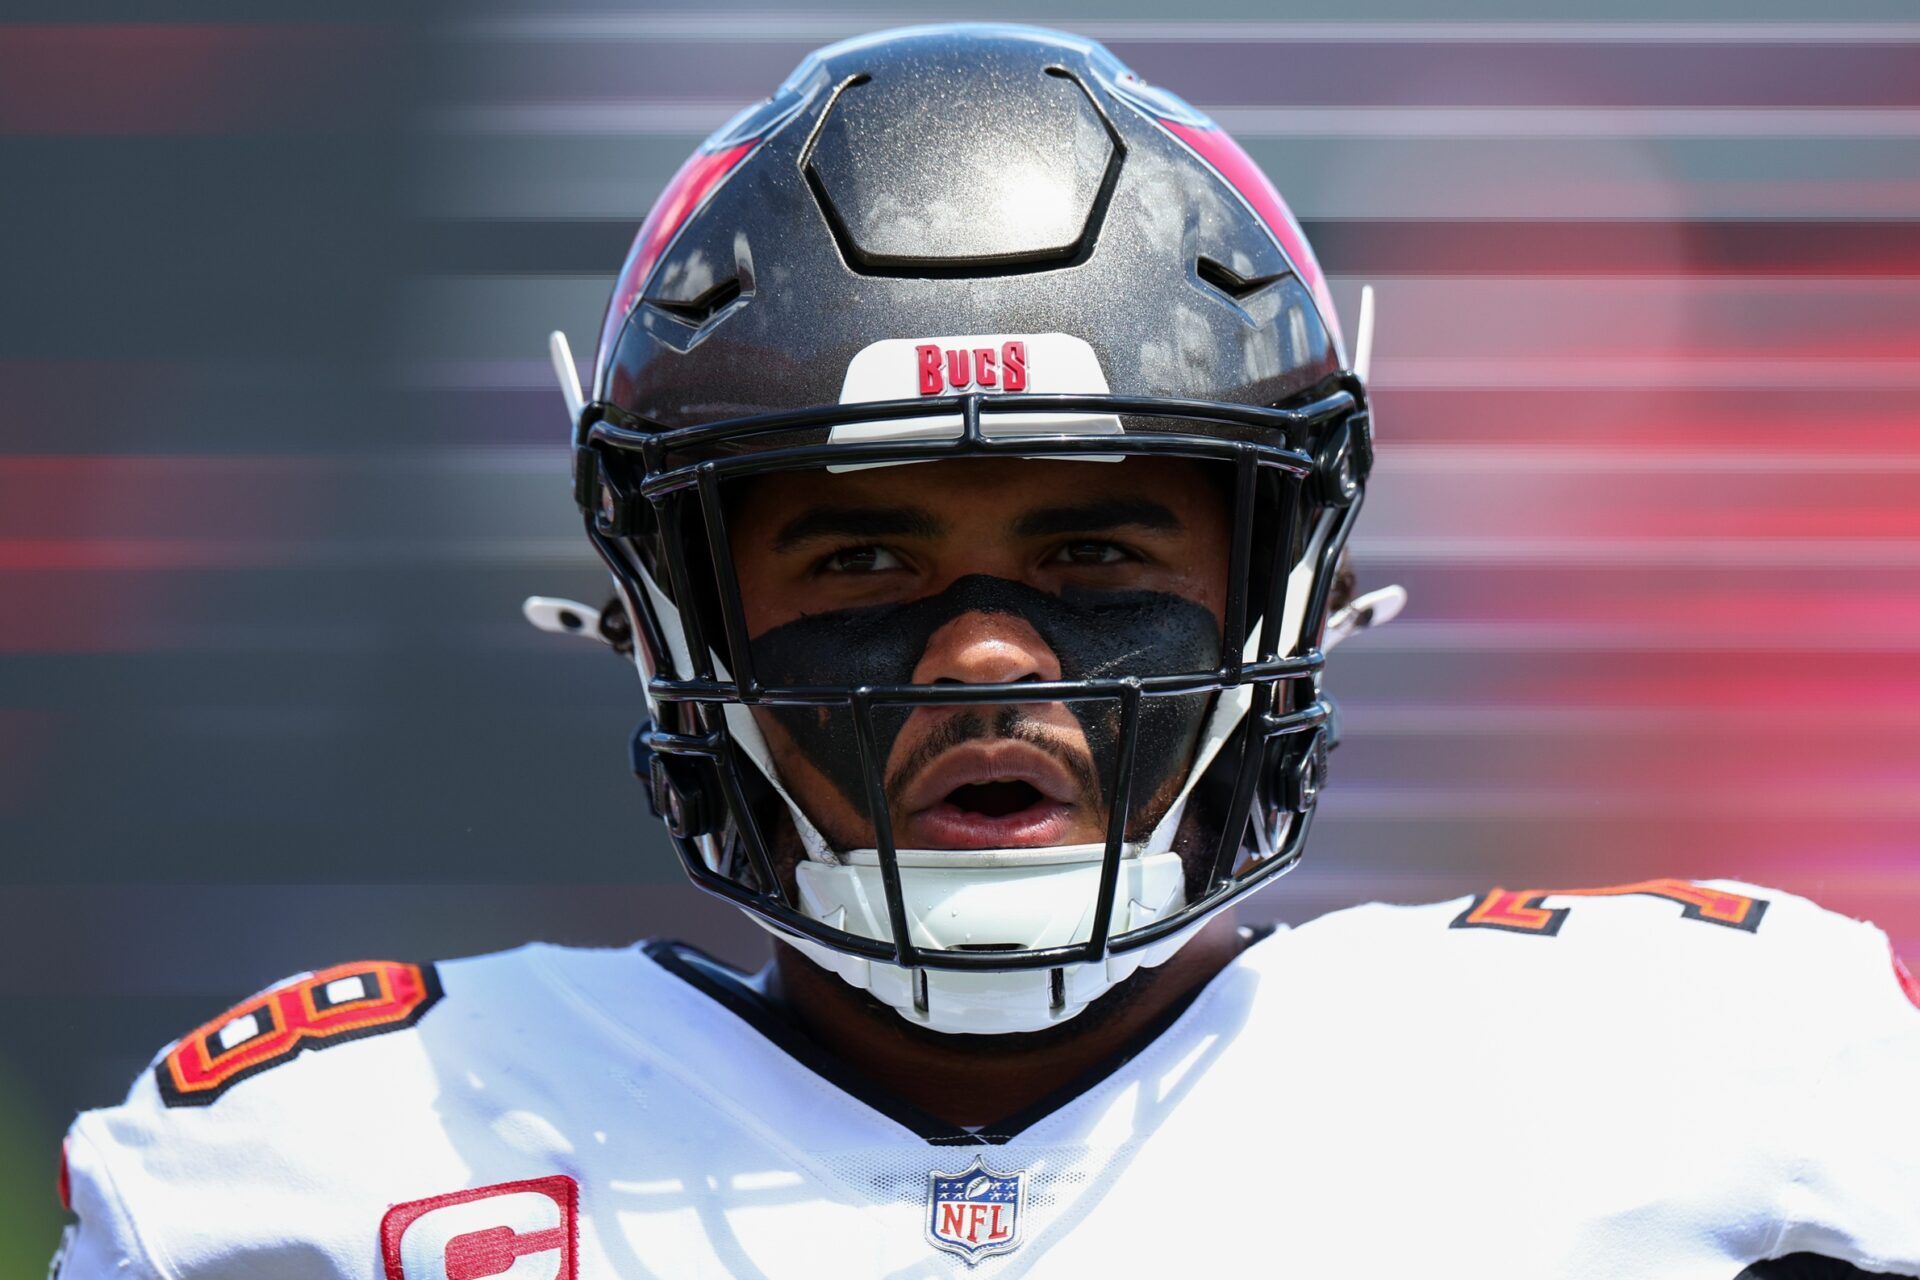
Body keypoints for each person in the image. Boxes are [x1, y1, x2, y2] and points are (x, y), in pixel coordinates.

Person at [50, 24, 1919, 1279]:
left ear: (1280, 589)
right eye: (862, 554)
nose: (984, 657)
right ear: (672, 609)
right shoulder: (314, 1171)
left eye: (1095, 548)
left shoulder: (1706, 1085)